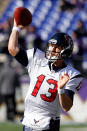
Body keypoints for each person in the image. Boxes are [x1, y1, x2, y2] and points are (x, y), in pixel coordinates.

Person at [8, 19, 83, 131]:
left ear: (65, 51)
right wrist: (16, 28)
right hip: (28, 121)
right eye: (51, 45)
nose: (52, 49)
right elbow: (12, 49)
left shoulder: (71, 74)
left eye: (57, 47)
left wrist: (61, 89)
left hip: (48, 124)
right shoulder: (37, 58)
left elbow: (66, 107)